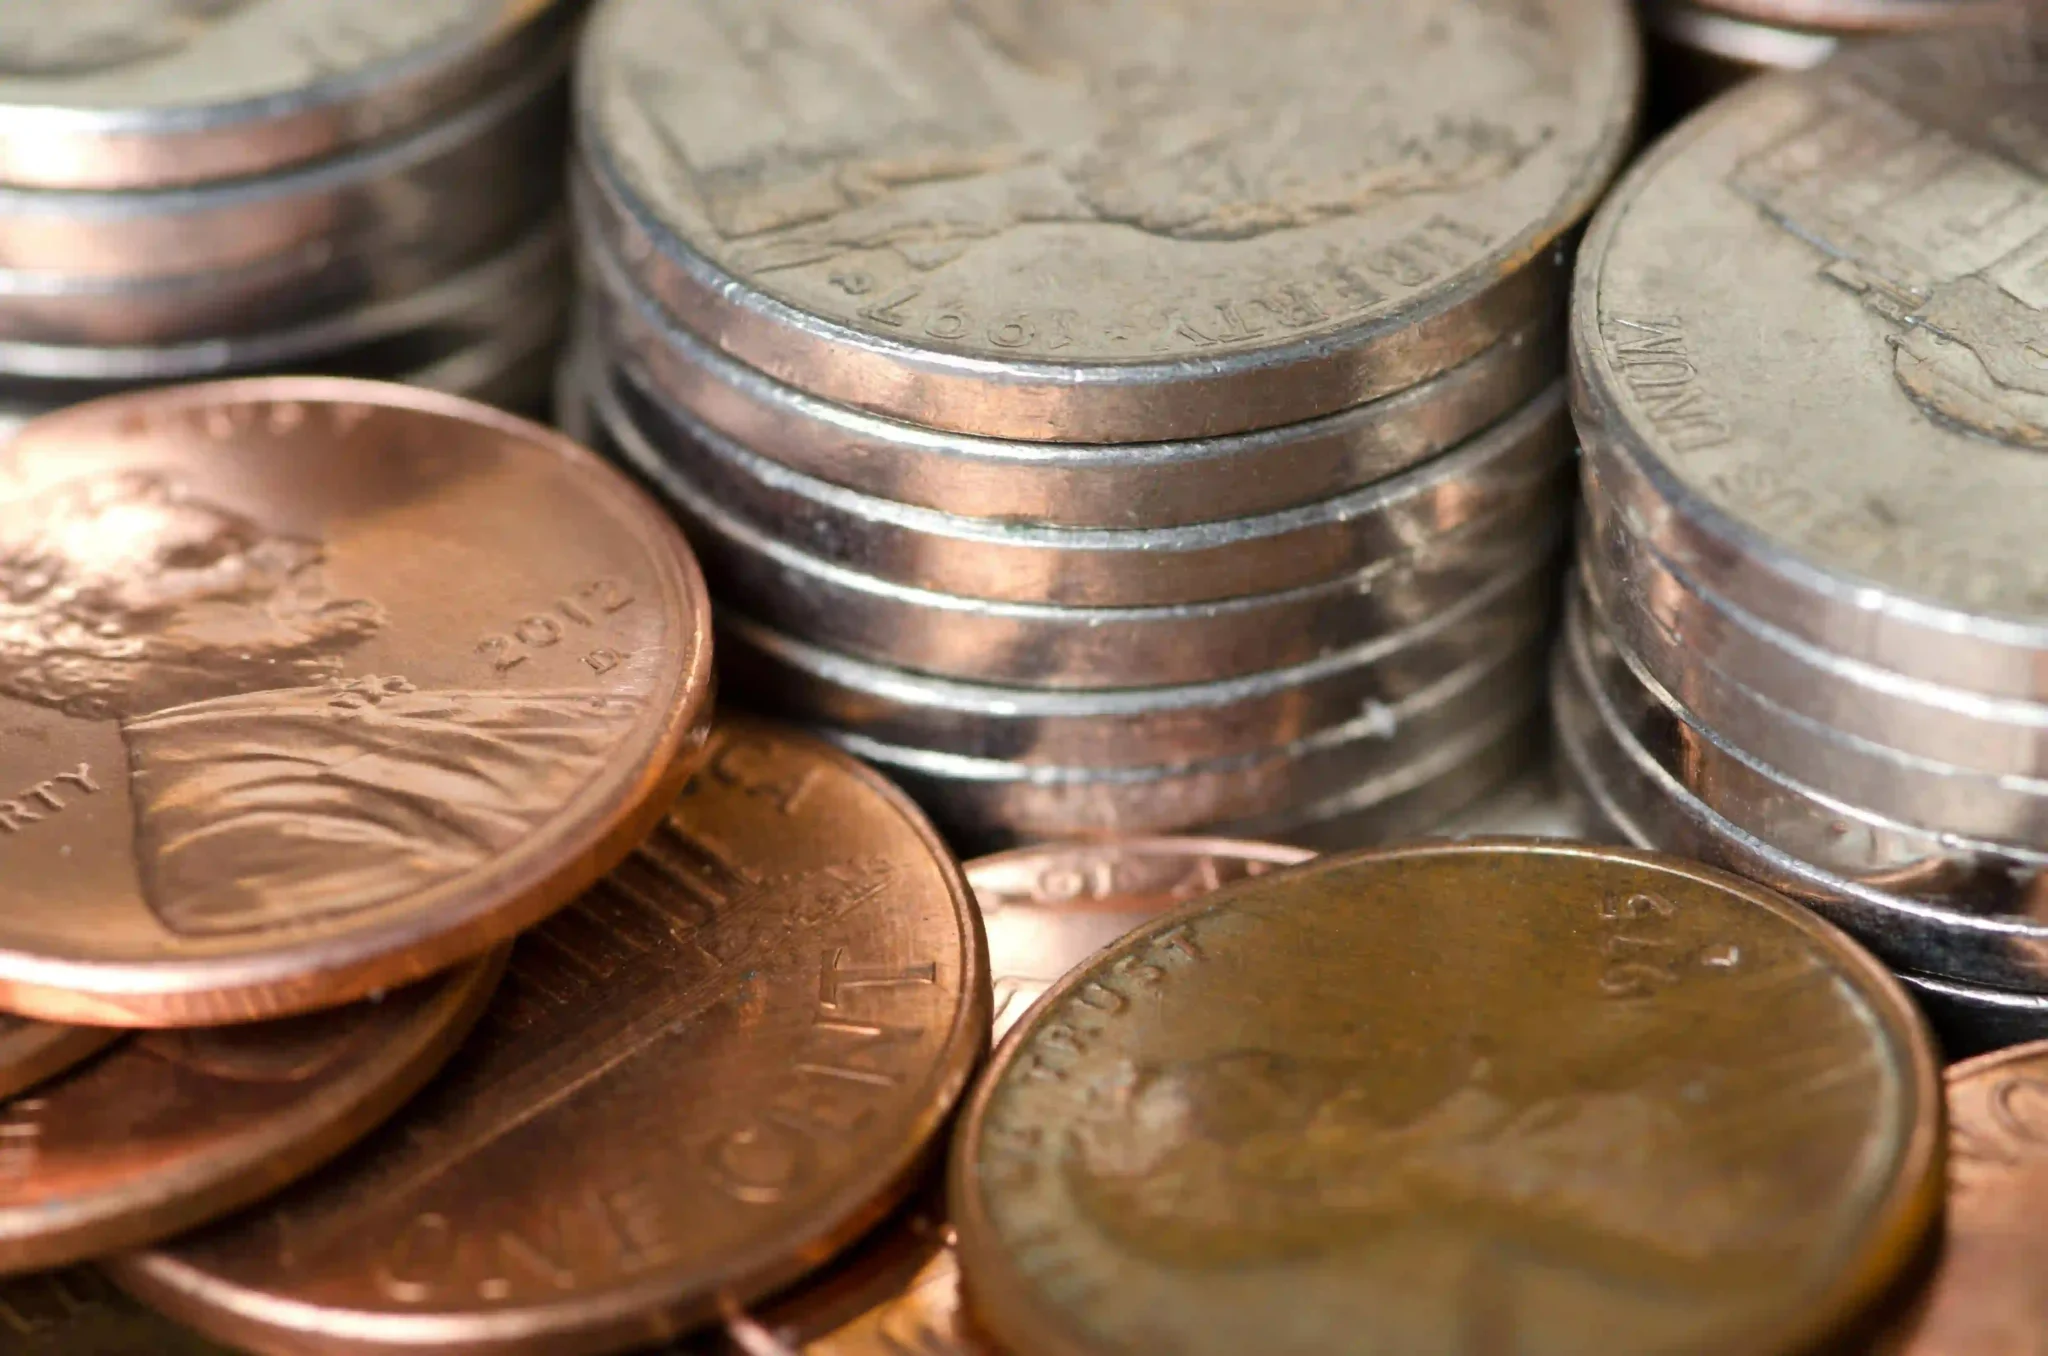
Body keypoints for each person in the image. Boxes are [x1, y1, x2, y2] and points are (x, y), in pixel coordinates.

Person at [0, 472, 639, 937]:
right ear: (85, 634)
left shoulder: (388, 712)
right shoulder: (241, 843)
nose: (299, 553)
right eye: (213, 555)